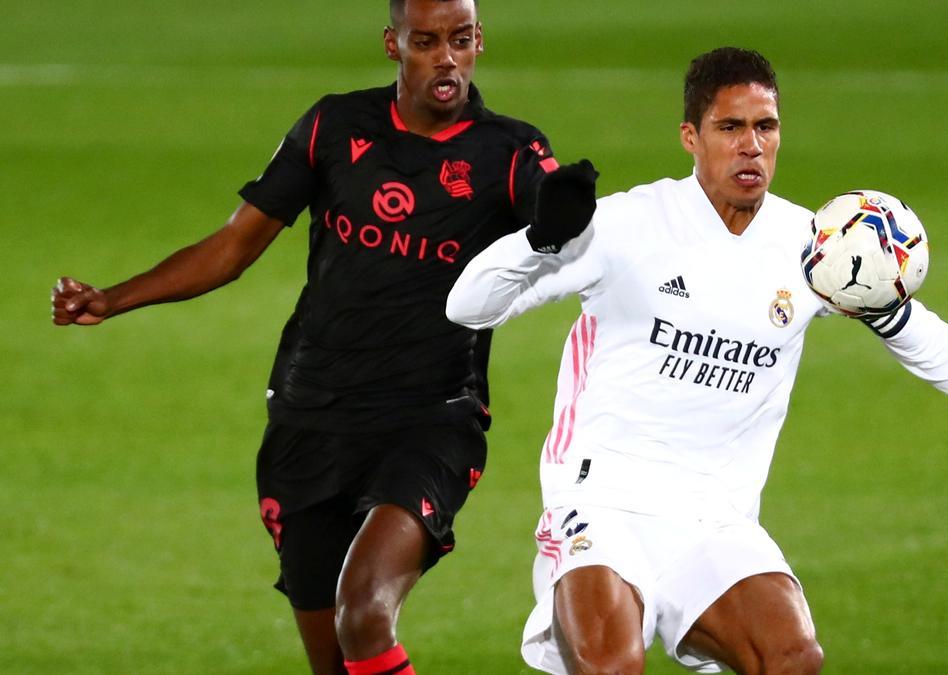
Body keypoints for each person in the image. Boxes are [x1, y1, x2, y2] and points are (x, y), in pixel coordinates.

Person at [445, 47, 948, 674]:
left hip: (714, 518)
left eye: (766, 126)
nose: (752, 145)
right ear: (691, 137)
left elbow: (932, 346)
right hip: (601, 500)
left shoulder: (819, 248)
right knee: (609, 664)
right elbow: (467, 306)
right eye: (731, 127)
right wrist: (539, 240)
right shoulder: (629, 224)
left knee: (792, 656)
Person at [49, 1, 597, 673]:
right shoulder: (335, 126)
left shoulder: (507, 151)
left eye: (460, 40)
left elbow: (557, 215)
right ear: (393, 45)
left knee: (364, 609)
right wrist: (113, 298)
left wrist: (566, 211)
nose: (446, 58)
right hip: (310, 417)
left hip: (427, 421)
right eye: (426, 42)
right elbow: (233, 247)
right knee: (336, 660)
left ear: (479, 40)